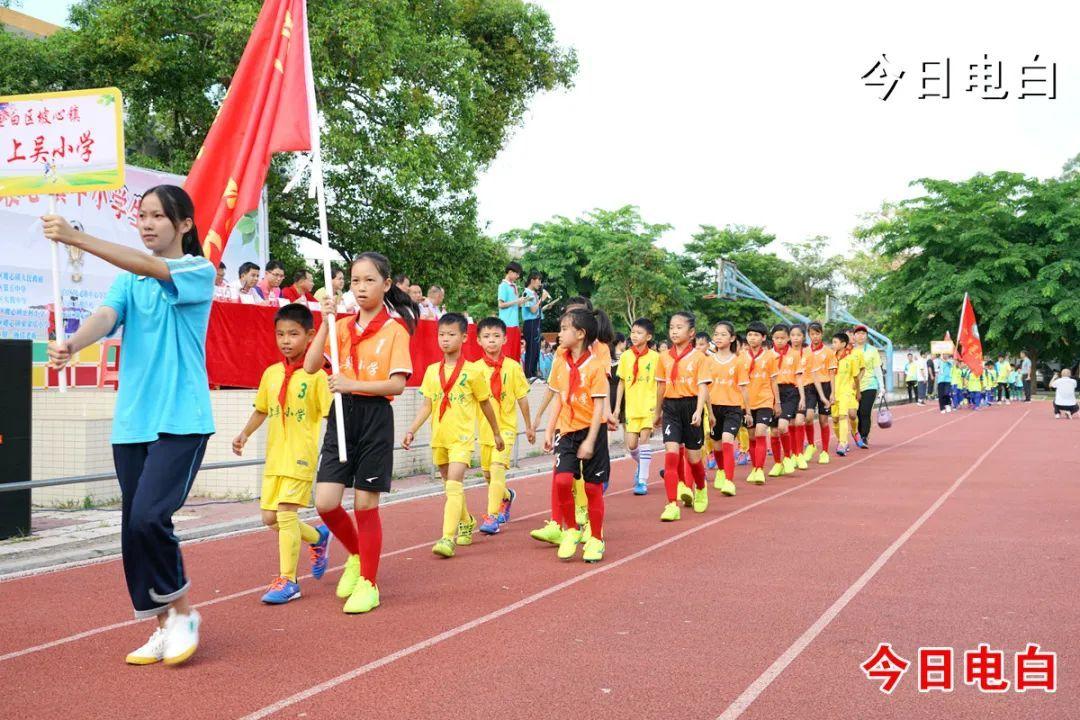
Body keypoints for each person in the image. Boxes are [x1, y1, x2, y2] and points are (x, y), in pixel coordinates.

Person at [43, 185, 214, 665]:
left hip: (181, 419)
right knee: (132, 529)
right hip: (134, 422)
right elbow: (106, 315)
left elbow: (152, 267)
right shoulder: (128, 281)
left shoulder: (197, 271)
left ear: (184, 225)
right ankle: (163, 625)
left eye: (158, 216)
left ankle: (183, 613)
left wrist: (77, 239)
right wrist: (73, 343)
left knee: (149, 517)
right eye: (141, 215)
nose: (146, 223)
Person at [305, 252, 417, 615]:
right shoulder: (341, 328)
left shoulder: (394, 331)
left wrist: (353, 383)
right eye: (355, 281)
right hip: (340, 416)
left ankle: (369, 582)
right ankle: (356, 554)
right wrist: (325, 320)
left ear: (386, 285)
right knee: (325, 502)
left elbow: (397, 385)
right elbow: (310, 366)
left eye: (369, 280)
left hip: (373, 417)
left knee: (365, 504)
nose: (361, 287)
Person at [232, 304, 332, 604]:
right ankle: (318, 537)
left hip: (301, 455)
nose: (286, 340)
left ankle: (288, 580)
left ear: (310, 336)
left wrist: (340, 448)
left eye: (293, 334)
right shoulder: (271, 373)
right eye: (280, 334)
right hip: (276, 457)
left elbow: (330, 415)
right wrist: (245, 433)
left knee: (287, 513)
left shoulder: (316, 376)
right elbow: (262, 408)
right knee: (269, 518)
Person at [403, 314, 503, 557]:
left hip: (462, 438)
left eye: (451, 334)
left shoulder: (473, 372)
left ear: (464, 337)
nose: (445, 339)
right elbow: (427, 405)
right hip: (439, 438)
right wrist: (411, 430)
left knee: (455, 482)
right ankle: (466, 520)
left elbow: (485, 404)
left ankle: (448, 538)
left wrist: (497, 433)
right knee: (450, 485)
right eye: (441, 334)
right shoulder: (430, 371)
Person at [541, 308, 611, 562]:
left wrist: (591, 441)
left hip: (593, 431)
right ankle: (570, 529)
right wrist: (550, 429)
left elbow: (599, 409)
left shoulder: (596, 367)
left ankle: (595, 539)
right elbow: (560, 400)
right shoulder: (560, 362)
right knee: (562, 481)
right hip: (567, 430)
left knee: (593, 488)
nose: (559, 334)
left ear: (580, 334)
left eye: (563, 329)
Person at [474, 316, 534, 534]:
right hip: (485, 431)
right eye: (487, 337)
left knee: (498, 470)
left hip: (507, 429)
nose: (492, 341)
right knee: (489, 477)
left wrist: (528, 426)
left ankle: (491, 518)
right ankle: (507, 496)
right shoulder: (475, 369)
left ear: (505, 339)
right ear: (479, 340)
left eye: (496, 336)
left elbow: (522, 398)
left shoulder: (513, 367)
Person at [657, 312, 711, 519]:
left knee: (693, 458)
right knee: (671, 454)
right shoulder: (663, 357)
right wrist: (657, 411)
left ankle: (701, 487)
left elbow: (703, 387)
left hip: (691, 406)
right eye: (671, 327)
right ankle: (671, 504)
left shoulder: (699, 358)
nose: (674, 331)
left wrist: (699, 411)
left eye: (679, 327)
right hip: (671, 407)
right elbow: (660, 387)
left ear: (691, 333)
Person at [614, 318, 660, 496]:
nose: (634, 336)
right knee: (632, 446)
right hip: (632, 407)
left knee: (644, 440)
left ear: (648, 336)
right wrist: (618, 407)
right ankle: (642, 463)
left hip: (648, 405)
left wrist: (659, 409)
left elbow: (660, 384)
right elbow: (621, 383)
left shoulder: (655, 358)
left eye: (639, 333)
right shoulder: (626, 356)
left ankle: (642, 480)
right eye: (633, 332)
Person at [738, 321, 780, 485]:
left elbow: (774, 380)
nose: (752, 338)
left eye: (756, 335)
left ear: (763, 338)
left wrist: (777, 403)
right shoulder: (741, 357)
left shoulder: (770, 356)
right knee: (751, 435)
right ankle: (755, 468)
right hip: (747, 402)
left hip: (765, 399)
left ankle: (760, 470)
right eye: (750, 335)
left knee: (761, 432)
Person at [703, 320, 741, 497]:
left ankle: (729, 481)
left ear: (732, 338)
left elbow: (743, 387)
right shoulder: (707, 361)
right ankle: (721, 470)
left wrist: (747, 411)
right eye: (716, 334)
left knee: (727, 440)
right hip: (713, 408)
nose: (718, 337)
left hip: (733, 407)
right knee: (716, 445)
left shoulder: (738, 361)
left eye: (723, 334)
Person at [768, 323, 802, 477]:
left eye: (782, 338)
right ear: (772, 338)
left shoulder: (794, 354)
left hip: (790, 392)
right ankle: (777, 463)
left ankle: (788, 457)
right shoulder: (768, 355)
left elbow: (799, 376)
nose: (780, 341)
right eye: (776, 338)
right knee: (774, 431)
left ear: (788, 338)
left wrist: (802, 396)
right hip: (772, 393)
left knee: (783, 426)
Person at [803, 321, 837, 465]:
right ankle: (811, 445)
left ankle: (824, 452)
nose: (815, 337)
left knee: (823, 421)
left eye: (817, 333)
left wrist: (832, 393)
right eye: (812, 334)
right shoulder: (805, 352)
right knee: (808, 417)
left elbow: (832, 374)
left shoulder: (829, 352)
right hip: (810, 386)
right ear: (809, 335)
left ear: (821, 334)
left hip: (825, 386)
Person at [831, 332, 865, 456]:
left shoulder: (851, 358)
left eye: (835, 342)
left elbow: (856, 376)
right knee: (835, 419)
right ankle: (841, 439)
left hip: (847, 392)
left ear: (843, 344)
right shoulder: (831, 358)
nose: (833, 345)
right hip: (834, 393)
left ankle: (845, 441)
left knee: (845, 416)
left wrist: (858, 391)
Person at [853, 326, 882, 448]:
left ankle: (864, 436)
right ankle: (859, 434)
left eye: (863, 333)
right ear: (854, 336)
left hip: (870, 384)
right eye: (858, 333)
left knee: (865, 411)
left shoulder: (872, 350)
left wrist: (882, 386)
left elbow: (877, 369)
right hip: (854, 385)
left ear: (866, 336)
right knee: (857, 412)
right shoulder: (850, 351)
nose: (861, 336)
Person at [520, 271, 544, 378]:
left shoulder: (534, 293)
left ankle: (534, 373)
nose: (539, 283)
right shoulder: (526, 293)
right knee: (531, 349)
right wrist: (541, 299)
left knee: (536, 349)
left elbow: (537, 309)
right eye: (538, 280)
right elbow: (533, 310)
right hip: (530, 323)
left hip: (537, 322)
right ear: (532, 280)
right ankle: (529, 374)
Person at [497, 261, 526, 330]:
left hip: (515, 324)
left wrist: (523, 301)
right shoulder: (503, 286)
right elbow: (500, 305)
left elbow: (517, 305)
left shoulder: (514, 286)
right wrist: (516, 301)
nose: (518, 276)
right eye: (517, 274)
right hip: (506, 325)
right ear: (510, 272)